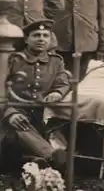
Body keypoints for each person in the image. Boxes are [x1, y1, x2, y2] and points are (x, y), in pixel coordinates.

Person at [0, 20, 69, 170]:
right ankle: (52, 156)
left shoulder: (56, 62)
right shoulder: (12, 60)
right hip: (13, 113)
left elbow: (62, 83)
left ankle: (32, 160)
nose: (41, 39)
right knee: (18, 126)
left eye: (45, 35)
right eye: (36, 35)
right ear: (26, 39)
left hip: (40, 115)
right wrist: (10, 113)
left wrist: (57, 93)